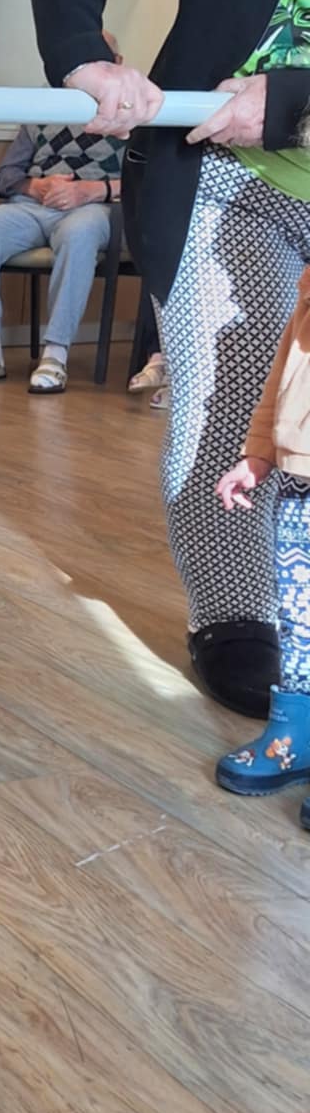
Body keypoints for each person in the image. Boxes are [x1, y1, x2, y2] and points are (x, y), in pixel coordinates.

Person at [30, 0, 310, 715]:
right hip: (225, 180)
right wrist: (83, 54)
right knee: (232, 386)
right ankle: (235, 617)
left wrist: (291, 100)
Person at [0, 55, 126, 393]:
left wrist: (90, 190)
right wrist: (36, 186)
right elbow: (6, 175)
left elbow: (145, 180)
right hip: (34, 205)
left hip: (95, 207)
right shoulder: (44, 106)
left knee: (79, 233)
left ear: (116, 64)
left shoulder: (129, 110)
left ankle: (55, 354)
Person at [214, 264, 310, 805]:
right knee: (298, 616)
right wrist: (258, 454)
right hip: (300, 479)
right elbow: (283, 373)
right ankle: (297, 727)